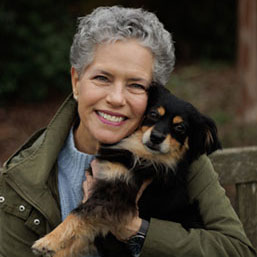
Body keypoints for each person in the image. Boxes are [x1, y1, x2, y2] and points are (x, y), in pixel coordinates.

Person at [0, 6, 256, 257]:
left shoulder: (182, 162)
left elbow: (238, 250)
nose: (116, 98)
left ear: (155, 95)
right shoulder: (21, 179)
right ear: (76, 82)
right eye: (102, 78)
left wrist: (134, 230)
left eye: (135, 84)